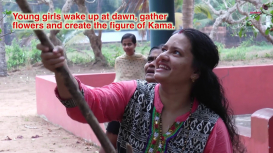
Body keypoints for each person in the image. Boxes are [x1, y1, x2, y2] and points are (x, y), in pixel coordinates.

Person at [37, 28, 246, 153]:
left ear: (196, 72)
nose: (162, 56)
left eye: (176, 52)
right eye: (164, 49)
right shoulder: (132, 93)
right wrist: (61, 70)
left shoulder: (211, 128)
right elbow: (88, 102)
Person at [100, 45, 164, 153]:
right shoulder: (129, 100)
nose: (151, 64)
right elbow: (107, 146)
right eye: (150, 60)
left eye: (159, 60)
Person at [103, 33, 147, 151]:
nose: (127, 47)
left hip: (138, 97)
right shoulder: (119, 60)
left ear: (135, 44)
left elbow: (143, 77)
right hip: (120, 97)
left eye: (129, 44)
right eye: (124, 44)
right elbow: (119, 77)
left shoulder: (143, 60)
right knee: (113, 128)